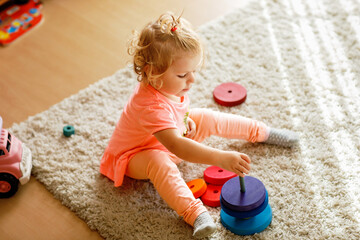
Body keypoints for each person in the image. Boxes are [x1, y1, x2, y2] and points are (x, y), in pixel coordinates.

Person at [100, 12, 298, 238]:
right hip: (134, 156)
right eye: (183, 74)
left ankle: (262, 132)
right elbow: (178, 146)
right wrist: (221, 158)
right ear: (152, 74)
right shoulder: (150, 105)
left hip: (165, 138)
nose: (192, 80)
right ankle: (194, 213)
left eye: (193, 71)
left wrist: (185, 120)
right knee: (159, 161)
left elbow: (176, 114)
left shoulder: (168, 86)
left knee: (206, 117)